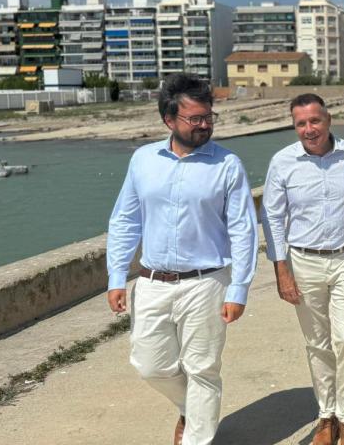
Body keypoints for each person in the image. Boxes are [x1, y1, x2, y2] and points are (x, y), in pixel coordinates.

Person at [106, 73, 259, 445]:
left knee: (203, 370)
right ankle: (193, 410)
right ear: (169, 120)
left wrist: (238, 288)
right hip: (152, 281)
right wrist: (115, 276)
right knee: (149, 365)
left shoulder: (227, 165)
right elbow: (126, 220)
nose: (204, 125)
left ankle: (196, 434)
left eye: (208, 117)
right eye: (195, 119)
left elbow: (244, 229)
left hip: (207, 282)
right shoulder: (143, 160)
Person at [261, 93, 344, 445]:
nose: (308, 129)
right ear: (294, 126)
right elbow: (271, 218)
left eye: (314, 121)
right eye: (300, 123)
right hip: (303, 261)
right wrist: (281, 270)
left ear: (328, 120)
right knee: (317, 343)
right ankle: (326, 416)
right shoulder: (283, 162)